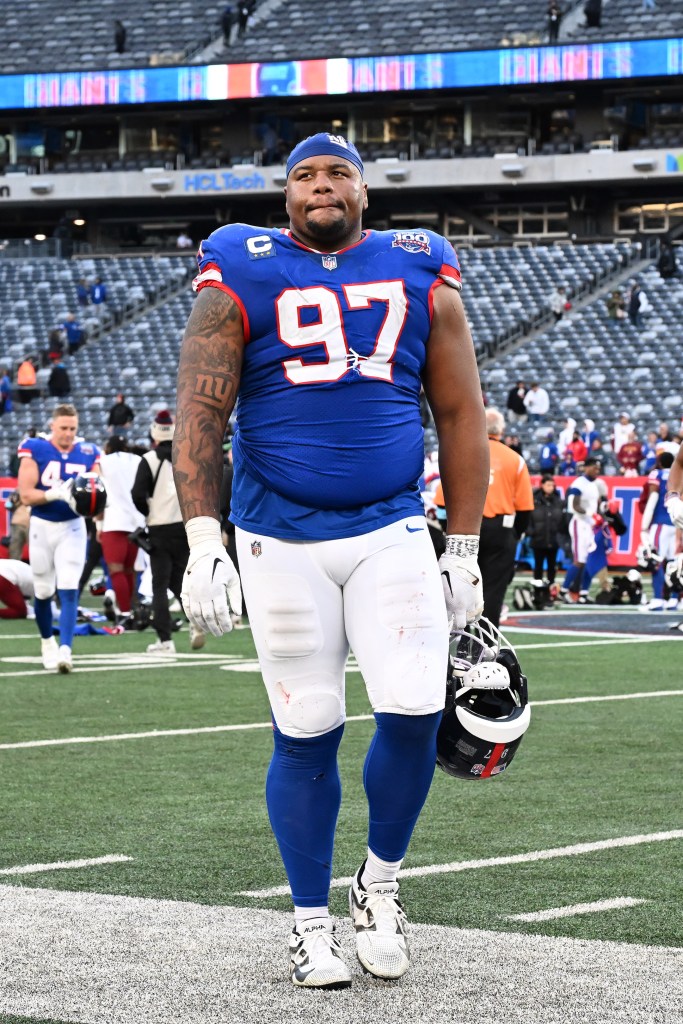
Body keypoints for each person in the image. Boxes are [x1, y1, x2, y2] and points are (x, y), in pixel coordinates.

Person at [171, 133, 488, 988]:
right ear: (285, 196)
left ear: (364, 192)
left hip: (391, 528)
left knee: (416, 707)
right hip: (279, 538)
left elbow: (461, 413)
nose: (321, 185)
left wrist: (462, 545)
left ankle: (378, 885)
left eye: (338, 173)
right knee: (307, 727)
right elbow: (199, 406)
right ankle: (309, 923)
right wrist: (204, 539)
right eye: (304, 175)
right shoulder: (241, 262)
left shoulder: (418, 264)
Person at [16, 403, 101, 673]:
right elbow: (26, 494)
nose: (68, 433)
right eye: (63, 428)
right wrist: (57, 493)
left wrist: (96, 505)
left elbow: (99, 493)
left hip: (73, 526)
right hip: (42, 524)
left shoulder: (88, 452)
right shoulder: (35, 448)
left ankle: (66, 650)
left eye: (72, 429)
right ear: (52, 426)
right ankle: (46, 641)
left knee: (69, 587)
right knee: (42, 590)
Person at [132, 411, 206, 654]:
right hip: (183, 527)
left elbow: (137, 494)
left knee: (160, 585)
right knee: (180, 581)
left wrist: (148, 510)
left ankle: (165, 640)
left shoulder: (149, 459)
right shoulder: (186, 456)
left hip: (159, 527)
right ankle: (194, 619)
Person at [478, 408, 534, 627]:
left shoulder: (463, 453)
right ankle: (487, 645)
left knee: (461, 589)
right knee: (494, 589)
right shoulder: (515, 459)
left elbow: (442, 501)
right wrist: (516, 535)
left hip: (465, 529)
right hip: (501, 529)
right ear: (501, 430)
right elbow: (525, 508)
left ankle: (460, 643)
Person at [98, 436, 145, 626]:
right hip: (136, 521)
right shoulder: (138, 460)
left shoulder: (103, 461)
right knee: (128, 571)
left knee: (116, 571)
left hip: (113, 520)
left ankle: (125, 612)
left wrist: (98, 523)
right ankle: (130, 610)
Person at [559, 456, 602, 604]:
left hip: (590, 525)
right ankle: (563, 591)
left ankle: (583, 593)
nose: (597, 471)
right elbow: (574, 506)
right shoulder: (579, 483)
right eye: (594, 468)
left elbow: (594, 504)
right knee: (579, 560)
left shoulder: (593, 485)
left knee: (589, 560)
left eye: (598, 469)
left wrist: (602, 511)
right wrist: (591, 515)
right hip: (580, 524)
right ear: (586, 467)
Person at [640, 451, 676, 610]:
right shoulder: (678, 475)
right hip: (676, 523)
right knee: (674, 563)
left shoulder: (657, 474)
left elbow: (653, 497)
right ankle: (675, 599)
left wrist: (644, 524)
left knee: (655, 561)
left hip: (661, 522)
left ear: (660, 462)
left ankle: (658, 599)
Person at [528, 475, 564, 587]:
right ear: (542, 485)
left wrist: (559, 533)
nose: (550, 487)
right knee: (538, 565)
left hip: (553, 539)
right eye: (548, 485)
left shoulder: (558, 501)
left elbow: (562, 519)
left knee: (552, 566)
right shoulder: (534, 500)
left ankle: (551, 589)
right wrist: (531, 531)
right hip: (538, 538)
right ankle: (538, 591)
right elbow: (528, 518)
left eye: (552, 485)